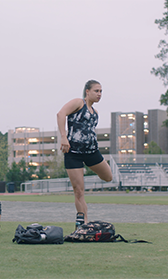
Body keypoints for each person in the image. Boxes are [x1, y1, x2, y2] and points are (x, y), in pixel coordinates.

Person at [57, 79, 113, 230]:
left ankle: (85, 170)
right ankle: (85, 224)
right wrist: (64, 136)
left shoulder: (95, 113)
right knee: (79, 191)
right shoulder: (78, 103)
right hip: (73, 153)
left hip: (91, 153)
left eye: (101, 91)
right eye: (96, 91)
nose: (99, 94)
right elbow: (61, 113)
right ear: (87, 92)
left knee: (108, 177)